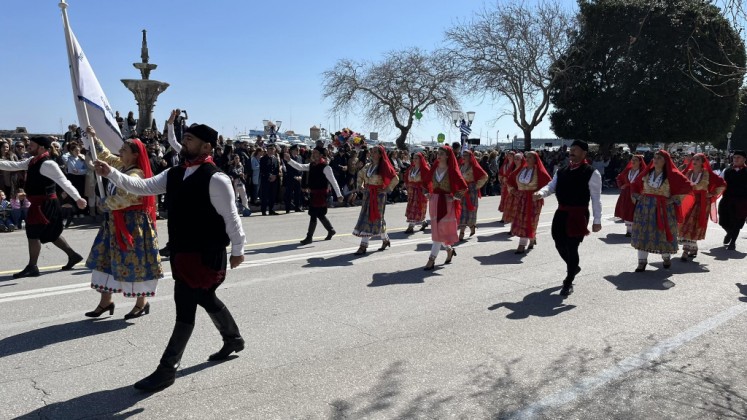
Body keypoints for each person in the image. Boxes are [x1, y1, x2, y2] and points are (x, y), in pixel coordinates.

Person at [94, 121, 246, 392]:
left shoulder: (216, 179)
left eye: (190, 139)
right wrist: (111, 173)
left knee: (185, 308)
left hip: (206, 255)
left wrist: (238, 250)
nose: (184, 143)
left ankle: (166, 370)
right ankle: (233, 339)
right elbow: (142, 186)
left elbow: (231, 217)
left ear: (206, 147)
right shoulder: (175, 173)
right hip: (181, 252)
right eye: (183, 138)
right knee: (205, 298)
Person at [83, 127, 163, 319]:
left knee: (136, 262)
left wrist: (104, 204)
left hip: (133, 225)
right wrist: (94, 138)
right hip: (114, 222)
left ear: (135, 155)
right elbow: (105, 156)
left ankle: (141, 303)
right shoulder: (121, 166)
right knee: (105, 259)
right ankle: (106, 302)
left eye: (124, 150)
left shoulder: (136, 175)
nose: (120, 152)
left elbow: (126, 197)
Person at [0, 136, 87, 278]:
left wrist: (78, 198)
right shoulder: (32, 161)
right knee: (51, 234)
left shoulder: (49, 164)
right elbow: (14, 165)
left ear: (41, 147)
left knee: (33, 233)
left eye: (32, 145)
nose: (29, 147)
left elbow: (64, 182)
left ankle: (32, 267)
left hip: (45, 205)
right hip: (39, 204)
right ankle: (73, 255)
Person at [534, 140, 602, 297]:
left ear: (584, 153)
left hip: (578, 214)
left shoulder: (592, 172)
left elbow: (596, 198)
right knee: (559, 243)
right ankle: (574, 266)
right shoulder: (562, 171)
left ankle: (568, 281)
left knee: (572, 247)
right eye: (571, 149)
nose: (571, 152)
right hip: (561, 212)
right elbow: (551, 186)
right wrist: (540, 193)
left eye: (575, 149)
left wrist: (597, 220)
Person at [630, 150, 692, 272]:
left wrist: (673, 199)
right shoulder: (647, 173)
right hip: (645, 208)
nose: (656, 160)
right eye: (655, 157)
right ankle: (642, 261)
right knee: (643, 233)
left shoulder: (672, 175)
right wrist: (638, 196)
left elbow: (687, 187)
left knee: (662, 233)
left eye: (659, 158)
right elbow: (635, 185)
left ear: (665, 161)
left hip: (664, 209)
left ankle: (666, 257)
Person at [283, 147, 343, 245]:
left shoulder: (326, 167)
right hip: (313, 194)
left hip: (321, 195)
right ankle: (331, 230)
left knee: (313, 214)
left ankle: (309, 237)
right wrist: (289, 160)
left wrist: (339, 195)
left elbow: (333, 181)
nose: (313, 154)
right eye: (313, 153)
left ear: (321, 155)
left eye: (316, 153)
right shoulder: (311, 165)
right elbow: (300, 167)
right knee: (320, 214)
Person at [424, 146, 467, 270]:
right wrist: (427, 193)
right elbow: (425, 183)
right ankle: (449, 250)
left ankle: (431, 259)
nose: (439, 155)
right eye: (438, 153)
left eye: (442, 153)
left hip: (447, 203)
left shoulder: (451, 170)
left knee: (440, 230)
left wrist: (455, 197)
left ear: (448, 156)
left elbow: (463, 187)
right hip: (434, 202)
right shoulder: (434, 168)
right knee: (438, 230)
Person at [678, 153, 726, 261]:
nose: (694, 161)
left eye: (698, 159)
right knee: (686, 223)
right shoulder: (688, 172)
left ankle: (688, 249)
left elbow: (722, 184)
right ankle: (690, 248)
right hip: (688, 201)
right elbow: (678, 181)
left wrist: (712, 193)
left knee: (694, 224)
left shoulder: (707, 174)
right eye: (694, 159)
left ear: (702, 162)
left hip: (702, 202)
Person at [352, 145, 399, 255]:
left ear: (380, 154)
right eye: (371, 152)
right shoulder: (368, 166)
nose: (372, 154)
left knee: (372, 218)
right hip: (367, 194)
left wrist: (386, 189)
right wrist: (360, 185)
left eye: (374, 152)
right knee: (372, 217)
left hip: (378, 196)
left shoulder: (383, 166)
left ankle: (363, 245)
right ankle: (385, 239)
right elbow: (360, 175)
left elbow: (395, 178)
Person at [507, 151, 552, 254]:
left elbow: (549, 185)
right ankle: (531, 238)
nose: (527, 159)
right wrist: (513, 190)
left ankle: (522, 244)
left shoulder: (539, 172)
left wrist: (539, 193)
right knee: (521, 220)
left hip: (533, 200)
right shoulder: (521, 170)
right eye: (526, 157)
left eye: (530, 157)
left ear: (535, 160)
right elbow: (510, 181)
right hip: (521, 199)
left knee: (530, 220)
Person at [718, 150, 747, 250]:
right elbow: (718, 182)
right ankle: (729, 233)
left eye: (738, 157)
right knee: (722, 221)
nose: (736, 159)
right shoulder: (726, 171)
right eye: (734, 157)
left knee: (737, 222)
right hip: (727, 200)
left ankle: (733, 242)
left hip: (742, 201)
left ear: (744, 159)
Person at [458, 150, 489, 241]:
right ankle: (462, 232)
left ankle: (472, 226)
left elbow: (485, 176)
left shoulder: (474, 167)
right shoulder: (461, 166)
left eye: (466, 155)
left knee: (470, 211)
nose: (464, 157)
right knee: (462, 211)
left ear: (470, 157)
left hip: (471, 192)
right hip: (462, 191)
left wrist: (475, 186)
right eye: (463, 155)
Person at [614, 155, 648, 237]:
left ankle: (635, 229)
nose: (633, 161)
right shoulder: (628, 170)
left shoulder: (643, 172)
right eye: (632, 160)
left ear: (640, 162)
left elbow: (645, 183)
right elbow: (619, 178)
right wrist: (621, 185)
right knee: (627, 210)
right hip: (626, 193)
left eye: (635, 160)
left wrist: (642, 192)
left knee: (635, 211)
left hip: (637, 194)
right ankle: (629, 230)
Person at [404, 152, 431, 234]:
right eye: (414, 158)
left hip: (420, 192)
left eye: (416, 158)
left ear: (420, 159)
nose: (414, 160)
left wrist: (426, 190)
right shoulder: (411, 169)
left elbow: (428, 181)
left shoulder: (425, 169)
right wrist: (407, 186)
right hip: (411, 192)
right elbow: (406, 178)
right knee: (412, 208)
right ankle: (424, 223)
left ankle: (411, 226)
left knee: (418, 209)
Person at [260, 145, 280, 216]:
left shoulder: (275, 159)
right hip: (266, 179)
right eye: (270, 149)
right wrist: (269, 175)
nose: (271, 151)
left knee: (272, 195)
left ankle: (271, 210)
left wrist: (275, 176)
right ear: (267, 150)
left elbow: (277, 169)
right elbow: (262, 169)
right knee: (265, 195)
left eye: (273, 149)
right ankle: (264, 210)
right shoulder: (263, 159)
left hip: (274, 180)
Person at [283, 145, 304, 213]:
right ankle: (288, 208)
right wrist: (294, 176)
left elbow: (301, 167)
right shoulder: (289, 158)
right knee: (289, 194)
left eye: (298, 150)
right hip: (291, 178)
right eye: (297, 150)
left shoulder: (300, 157)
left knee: (298, 194)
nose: (298, 151)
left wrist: (300, 176)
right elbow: (288, 169)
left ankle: (297, 207)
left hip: (298, 179)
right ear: (292, 151)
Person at [497, 151, 516, 223]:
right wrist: (501, 178)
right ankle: (504, 217)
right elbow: (500, 173)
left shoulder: (515, 165)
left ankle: (509, 217)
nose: (509, 157)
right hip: (505, 186)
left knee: (511, 201)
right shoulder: (505, 165)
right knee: (505, 200)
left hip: (512, 186)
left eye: (511, 155)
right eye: (508, 155)